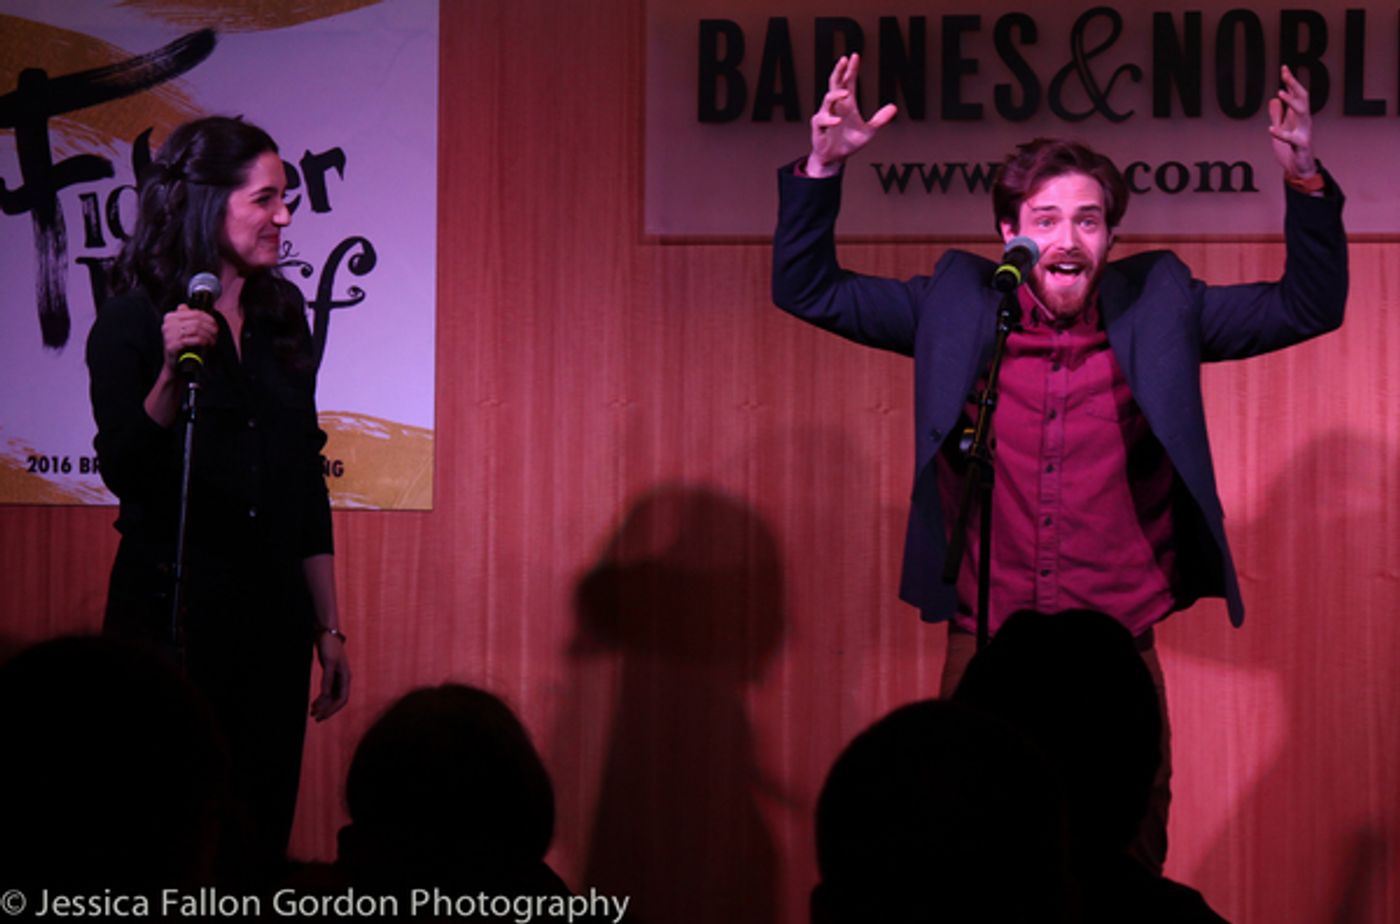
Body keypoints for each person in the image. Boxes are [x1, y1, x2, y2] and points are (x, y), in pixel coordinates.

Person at [771, 54, 1346, 873]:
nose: (1067, 239)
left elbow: (1308, 305)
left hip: (1117, 645)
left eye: (1088, 220)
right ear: (1008, 233)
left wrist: (1303, 180)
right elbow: (807, 289)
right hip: (988, 634)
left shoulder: (1163, 307)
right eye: (1045, 219)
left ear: (1111, 237)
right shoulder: (953, 305)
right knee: (966, 856)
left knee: (1126, 854)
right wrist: (823, 166)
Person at [85, 115, 351, 882]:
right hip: (171, 617)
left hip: (272, 620)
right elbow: (127, 469)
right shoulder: (133, 317)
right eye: (265, 199)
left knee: (256, 833)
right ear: (207, 203)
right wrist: (172, 373)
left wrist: (328, 625)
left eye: (286, 198)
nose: (284, 216)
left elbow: (301, 479)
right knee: (162, 836)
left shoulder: (281, 313)